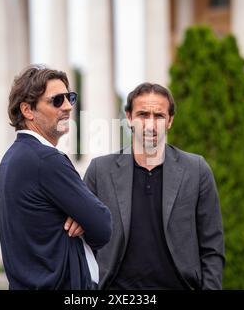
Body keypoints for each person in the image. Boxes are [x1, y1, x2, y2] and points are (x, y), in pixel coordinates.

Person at [84, 82, 225, 290]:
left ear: (170, 121)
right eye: (143, 114)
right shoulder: (100, 171)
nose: (150, 125)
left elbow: (212, 246)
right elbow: (81, 243)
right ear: (129, 117)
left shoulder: (197, 170)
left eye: (158, 116)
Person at [0, 65, 112, 290]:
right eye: (57, 100)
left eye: (70, 97)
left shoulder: (11, 157)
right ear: (28, 110)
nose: (68, 106)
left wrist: (83, 218)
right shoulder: (46, 159)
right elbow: (103, 226)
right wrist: (85, 219)